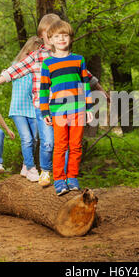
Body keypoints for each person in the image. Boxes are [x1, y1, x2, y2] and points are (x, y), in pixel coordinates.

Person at [0, 13, 107, 188]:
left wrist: (100, 90)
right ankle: (46, 171)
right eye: (49, 33)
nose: (54, 37)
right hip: (44, 109)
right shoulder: (36, 57)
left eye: (58, 33)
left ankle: (64, 178)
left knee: (65, 145)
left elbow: (85, 76)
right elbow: (15, 70)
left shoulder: (70, 56)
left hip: (69, 108)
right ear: (43, 36)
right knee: (48, 143)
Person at [40, 20, 93, 196]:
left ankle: (72, 177)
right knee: (60, 146)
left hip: (78, 109)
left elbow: (86, 84)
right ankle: (59, 180)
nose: (61, 39)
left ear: (70, 38)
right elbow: (44, 89)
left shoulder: (79, 60)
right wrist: (44, 111)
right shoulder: (48, 63)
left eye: (65, 35)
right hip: (58, 111)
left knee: (76, 145)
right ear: (51, 40)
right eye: (57, 36)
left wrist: (89, 108)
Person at [8, 36, 43, 181]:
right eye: (30, 53)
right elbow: (8, 74)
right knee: (26, 138)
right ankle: (31, 167)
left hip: (33, 108)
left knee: (34, 138)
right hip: (18, 108)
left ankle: (25, 165)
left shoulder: (38, 69)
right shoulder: (16, 65)